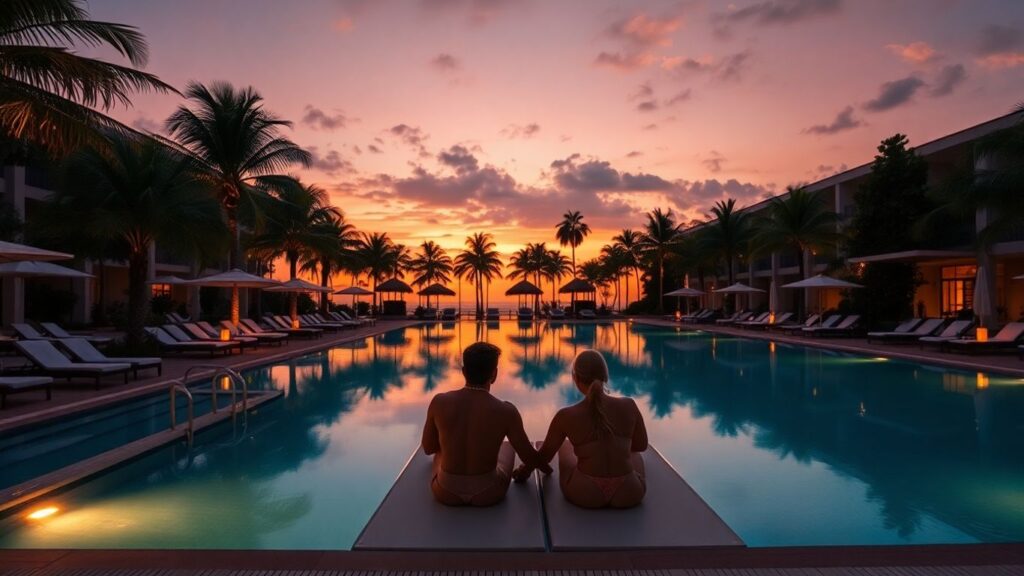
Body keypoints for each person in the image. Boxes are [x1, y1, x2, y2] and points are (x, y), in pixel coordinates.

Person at [514, 349, 648, 509]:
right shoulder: (629, 406)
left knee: (564, 448)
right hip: (629, 491)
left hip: (587, 492)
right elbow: (640, 446)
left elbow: (544, 457)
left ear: (576, 378)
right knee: (635, 455)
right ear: (605, 377)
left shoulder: (566, 416)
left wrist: (525, 470)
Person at [422, 342, 550, 506]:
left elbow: (428, 448)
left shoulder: (439, 402)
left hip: (445, 491)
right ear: (494, 374)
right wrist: (542, 470)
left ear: (463, 371)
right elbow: (529, 457)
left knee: (440, 454)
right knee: (508, 447)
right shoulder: (506, 411)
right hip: (488, 493)